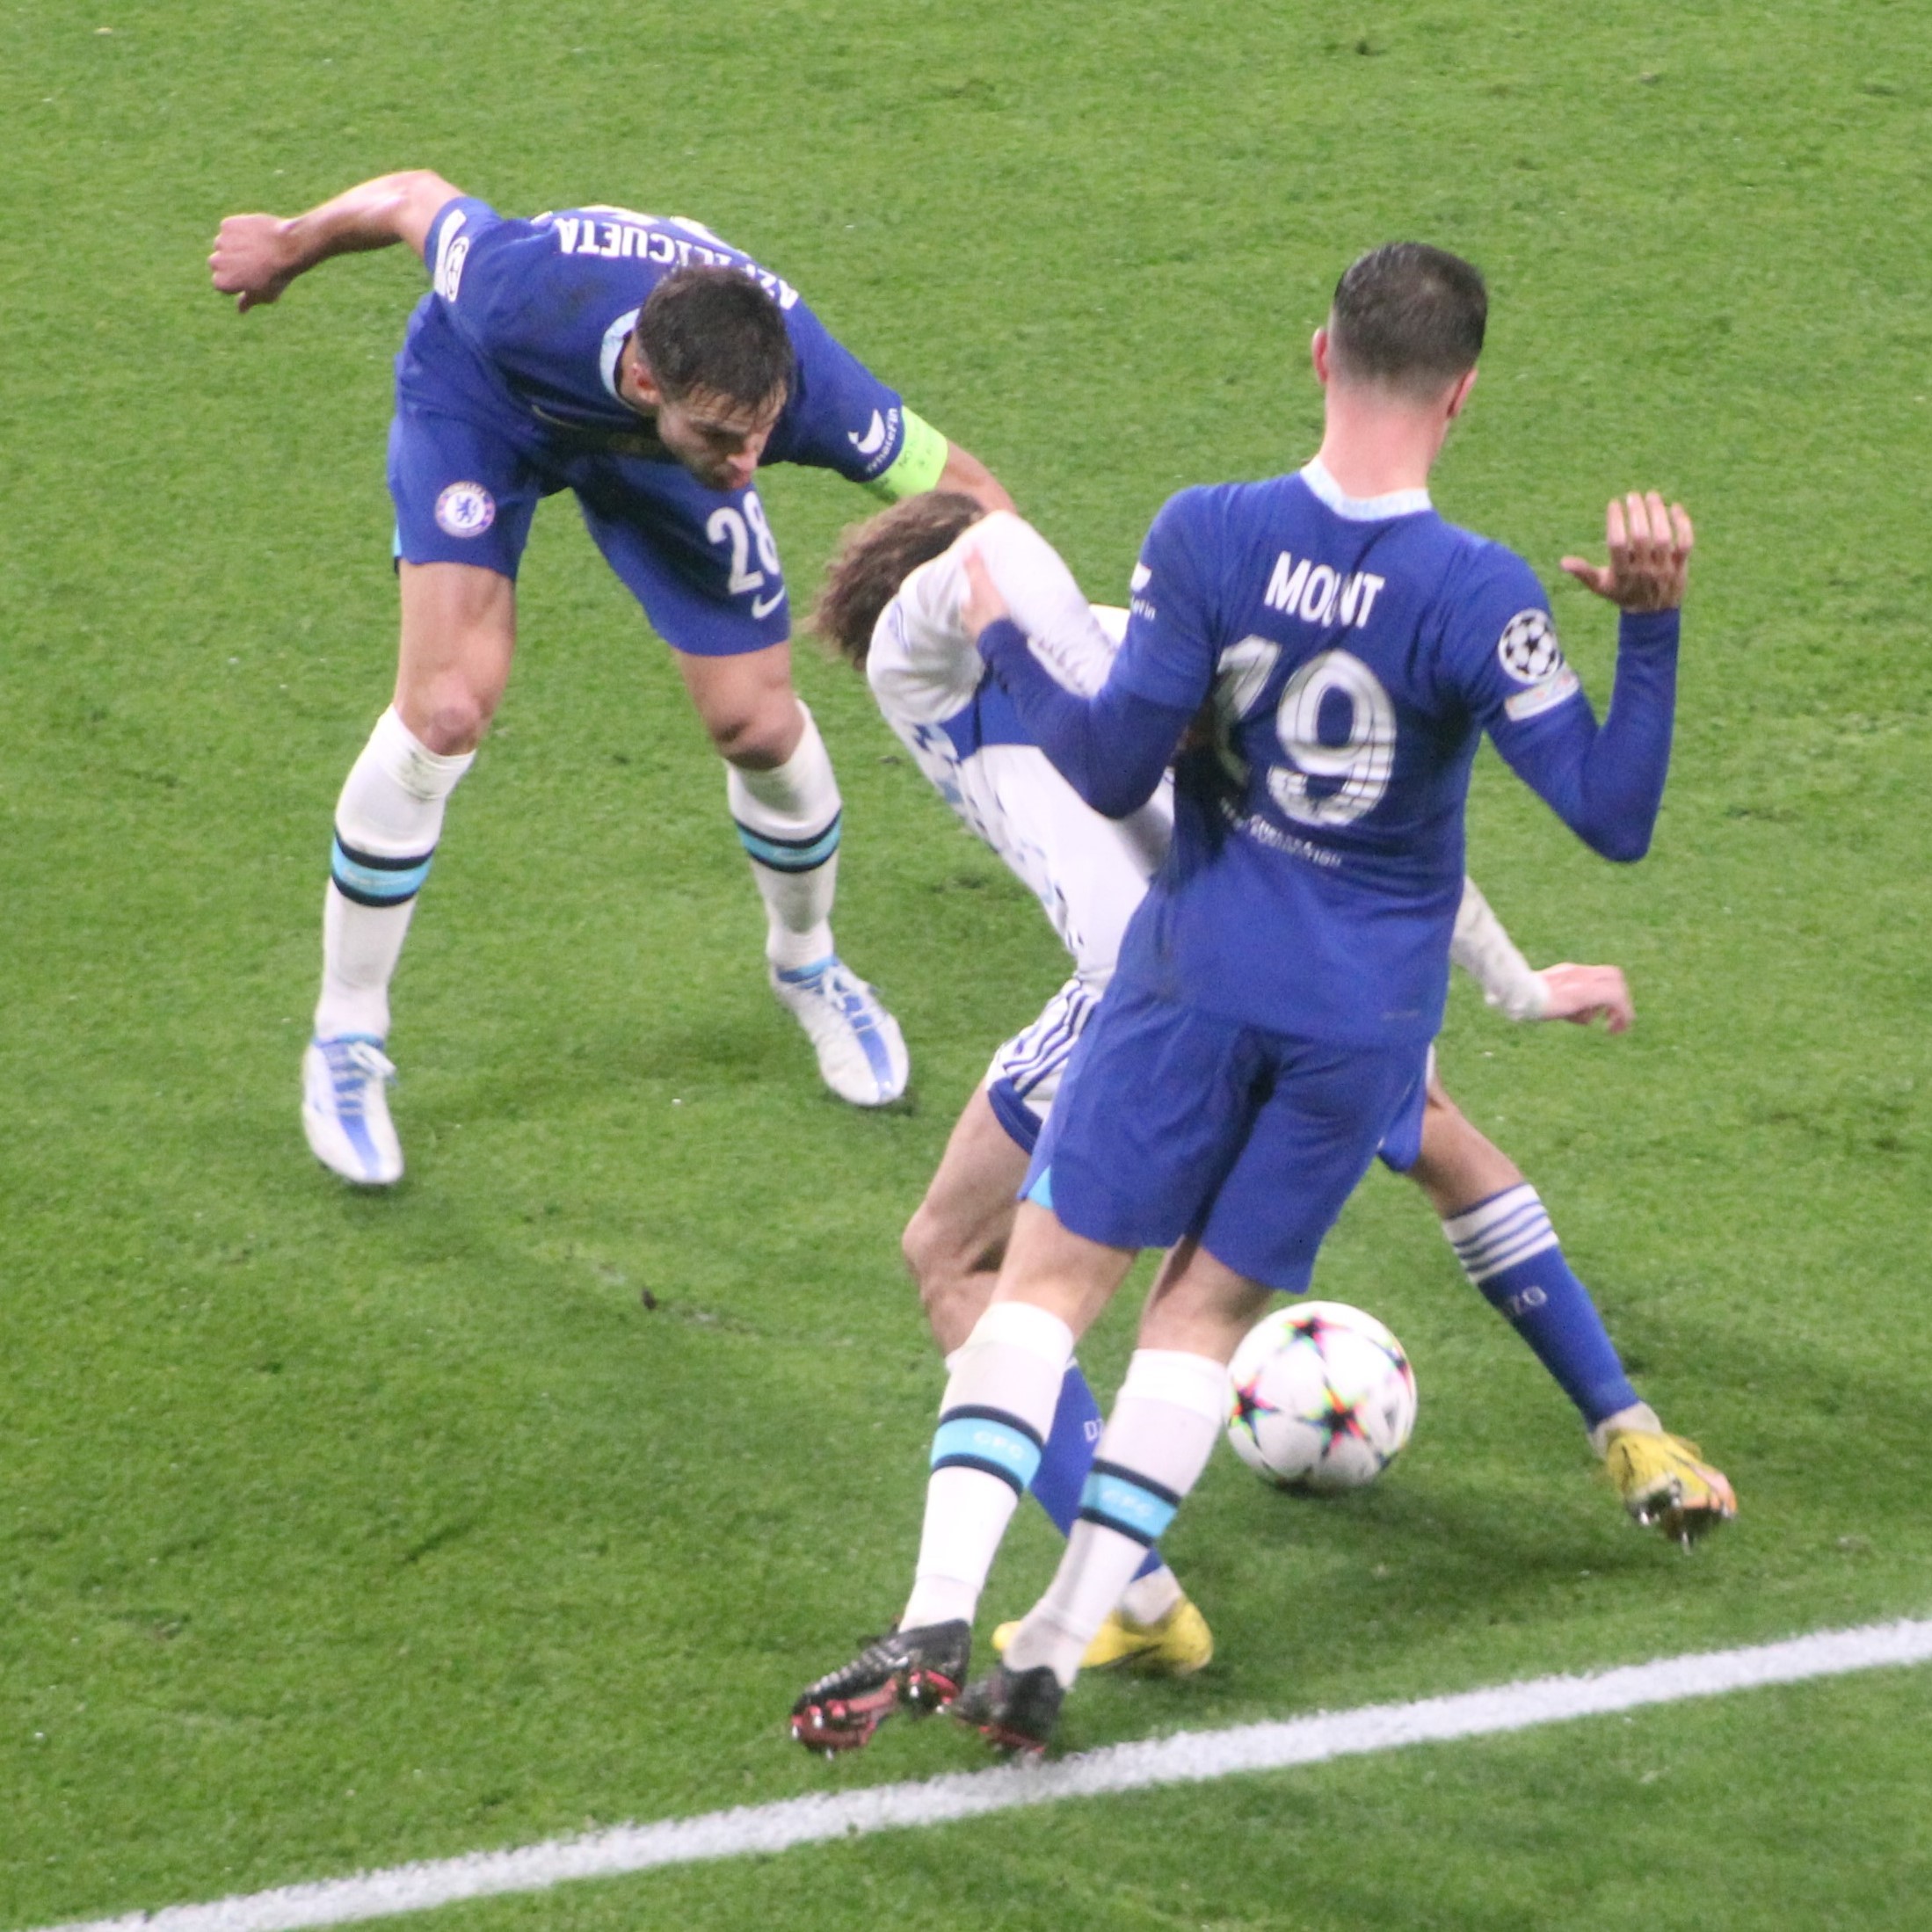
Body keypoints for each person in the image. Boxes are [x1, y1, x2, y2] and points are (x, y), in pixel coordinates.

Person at [793, 242, 1731, 1759]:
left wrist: (1004, 614)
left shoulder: (1198, 547)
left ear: (1316, 355)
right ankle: (1069, 1636)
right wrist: (1648, 627)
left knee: (1018, 1279)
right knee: (1218, 1304)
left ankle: (981, 1605)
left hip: (1184, 976)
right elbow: (1580, 818)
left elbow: (1106, 757)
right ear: (1462, 395)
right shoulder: (1476, 589)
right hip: (1359, 1009)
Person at [208, 171, 1012, 1184]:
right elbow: (414, 196)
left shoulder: (794, 384)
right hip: (484, 405)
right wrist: (290, 244)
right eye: (727, 437)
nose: (751, 463)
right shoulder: (518, 292)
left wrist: (1054, 649)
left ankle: (808, 964)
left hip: (656, 456)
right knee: (444, 710)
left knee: (758, 725)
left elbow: (971, 493)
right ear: (642, 379)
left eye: (763, 433)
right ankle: (345, 1033)